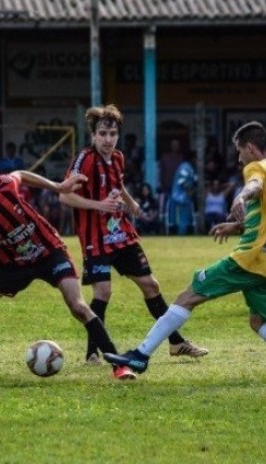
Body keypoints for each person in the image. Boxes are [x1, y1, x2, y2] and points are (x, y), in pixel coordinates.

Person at [105, 121, 266, 383]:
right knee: (259, 321)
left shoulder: (257, 167)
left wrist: (240, 197)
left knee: (188, 295)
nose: (239, 159)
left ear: (250, 148)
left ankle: (140, 355)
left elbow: (254, 185)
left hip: (251, 258)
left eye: (240, 152)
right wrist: (238, 226)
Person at [0, 167, 137, 381]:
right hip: (12, 266)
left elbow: (22, 174)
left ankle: (118, 365)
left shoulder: (3, 186)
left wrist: (58, 186)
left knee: (78, 307)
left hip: (49, 253)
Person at [60, 104, 207, 364]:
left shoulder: (117, 157)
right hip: (95, 237)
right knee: (103, 291)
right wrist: (99, 205)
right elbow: (65, 195)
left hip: (121, 233)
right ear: (93, 135)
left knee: (151, 285)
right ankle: (93, 352)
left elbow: (117, 184)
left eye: (112, 133)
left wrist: (130, 202)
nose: (108, 139)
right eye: (103, 133)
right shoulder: (85, 159)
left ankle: (176, 343)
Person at [169, 150, 197, 235]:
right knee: (181, 220)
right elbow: (182, 181)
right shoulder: (185, 167)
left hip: (184, 198)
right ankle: (180, 236)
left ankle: (182, 235)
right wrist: (190, 191)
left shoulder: (190, 167)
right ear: (192, 159)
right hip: (180, 198)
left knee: (185, 220)